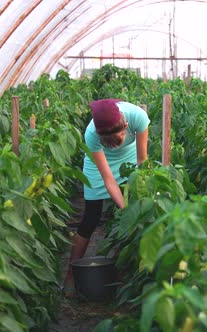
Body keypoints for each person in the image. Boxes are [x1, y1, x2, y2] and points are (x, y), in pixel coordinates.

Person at [62, 98, 150, 293]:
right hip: (98, 166)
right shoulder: (91, 134)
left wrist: (138, 191)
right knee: (90, 218)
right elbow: (108, 178)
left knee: (134, 211)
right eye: (108, 142)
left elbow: (142, 159)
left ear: (126, 127)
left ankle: (122, 273)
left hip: (129, 159)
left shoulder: (138, 117)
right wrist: (125, 209)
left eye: (117, 140)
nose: (113, 145)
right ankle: (70, 274)